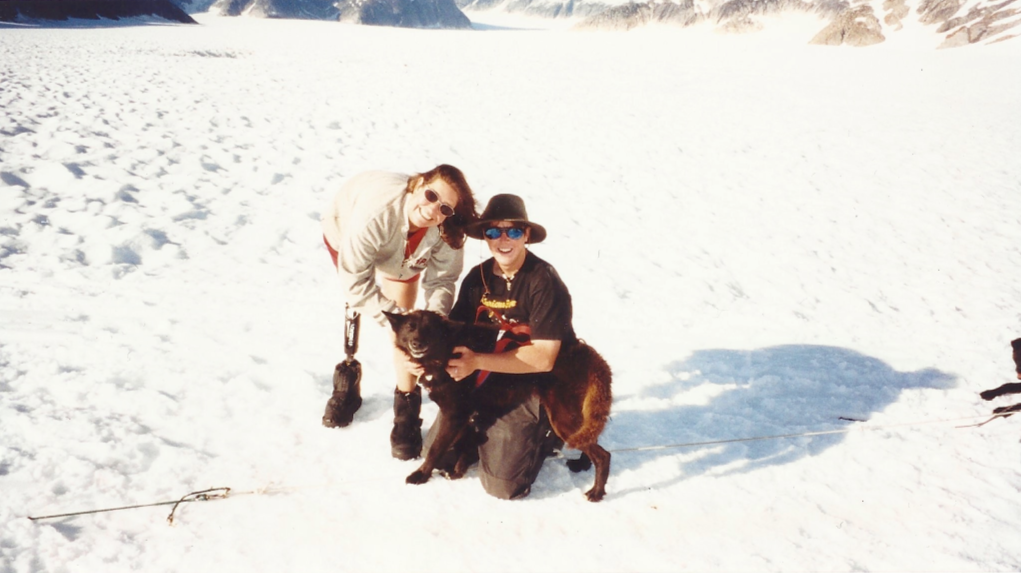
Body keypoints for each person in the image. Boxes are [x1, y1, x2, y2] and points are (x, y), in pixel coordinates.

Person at [321, 165, 478, 460]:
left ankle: (406, 408)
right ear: (417, 184)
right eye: (430, 195)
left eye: (444, 207)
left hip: (406, 254)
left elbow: (443, 280)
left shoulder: (447, 228)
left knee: (410, 327)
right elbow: (356, 282)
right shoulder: (374, 215)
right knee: (361, 300)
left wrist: (430, 326)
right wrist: (395, 319)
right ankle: (348, 375)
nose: (432, 210)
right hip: (347, 229)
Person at [442, 194, 574, 500]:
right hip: (489, 376)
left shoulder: (544, 280)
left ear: (526, 235)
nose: (503, 239)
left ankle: (547, 432)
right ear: (485, 237)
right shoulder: (478, 278)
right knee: (441, 456)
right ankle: (487, 429)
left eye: (513, 231)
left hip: (536, 382)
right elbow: (456, 333)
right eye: (493, 232)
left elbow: (543, 358)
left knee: (502, 486)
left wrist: (476, 362)